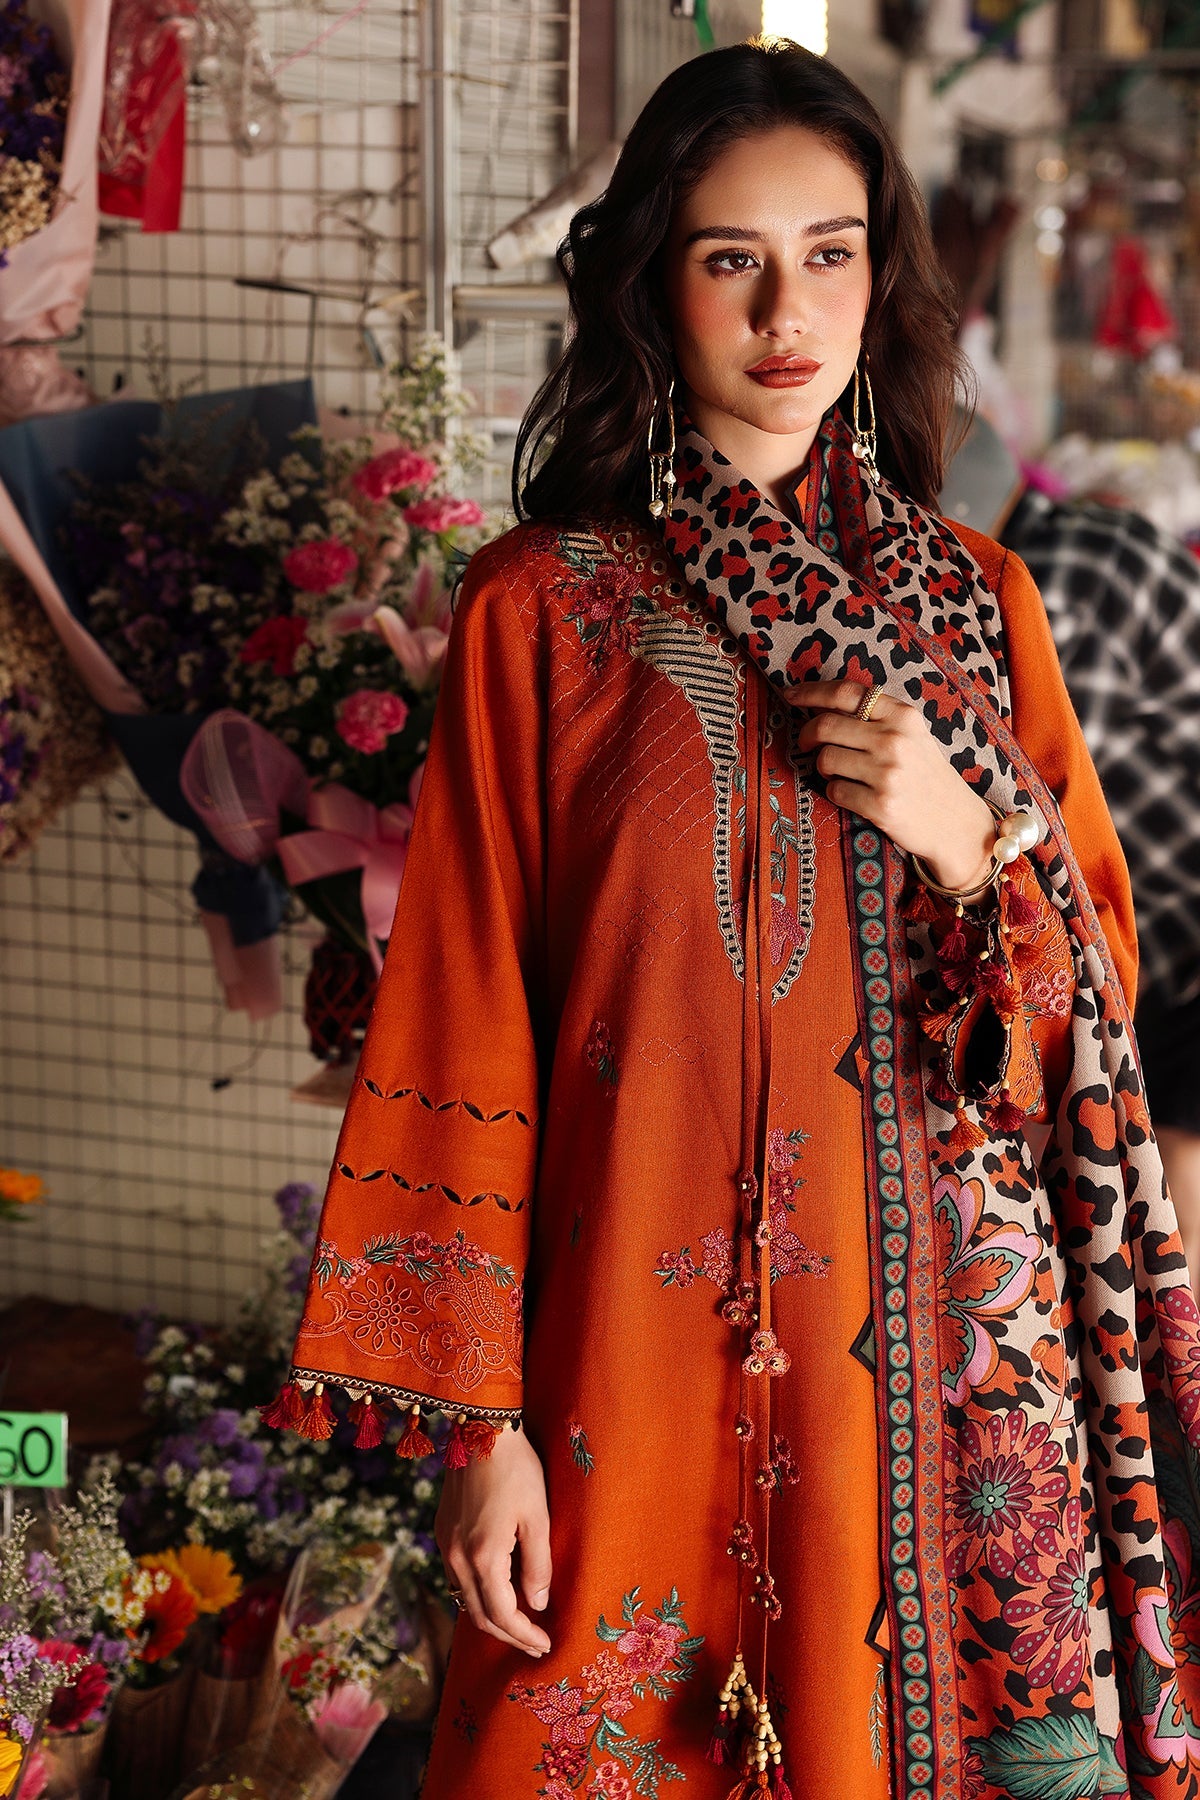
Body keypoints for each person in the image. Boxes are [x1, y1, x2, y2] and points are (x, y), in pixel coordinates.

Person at [262, 40, 1200, 1798]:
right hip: (624, 1350)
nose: (789, 313)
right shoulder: (542, 616)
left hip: (929, 1389)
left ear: (882, 276)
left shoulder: (981, 603)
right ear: (653, 285)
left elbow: (1091, 1027)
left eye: (831, 254)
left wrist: (967, 840)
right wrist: (480, 1431)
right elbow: (461, 1008)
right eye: (732, 260)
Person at [942, 413, 1200, 1282]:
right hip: (1172, 949)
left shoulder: (1055, 579)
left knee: (1177, 1195)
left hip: (1187, 957)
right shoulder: (1080, 545)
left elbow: (1032, 800)